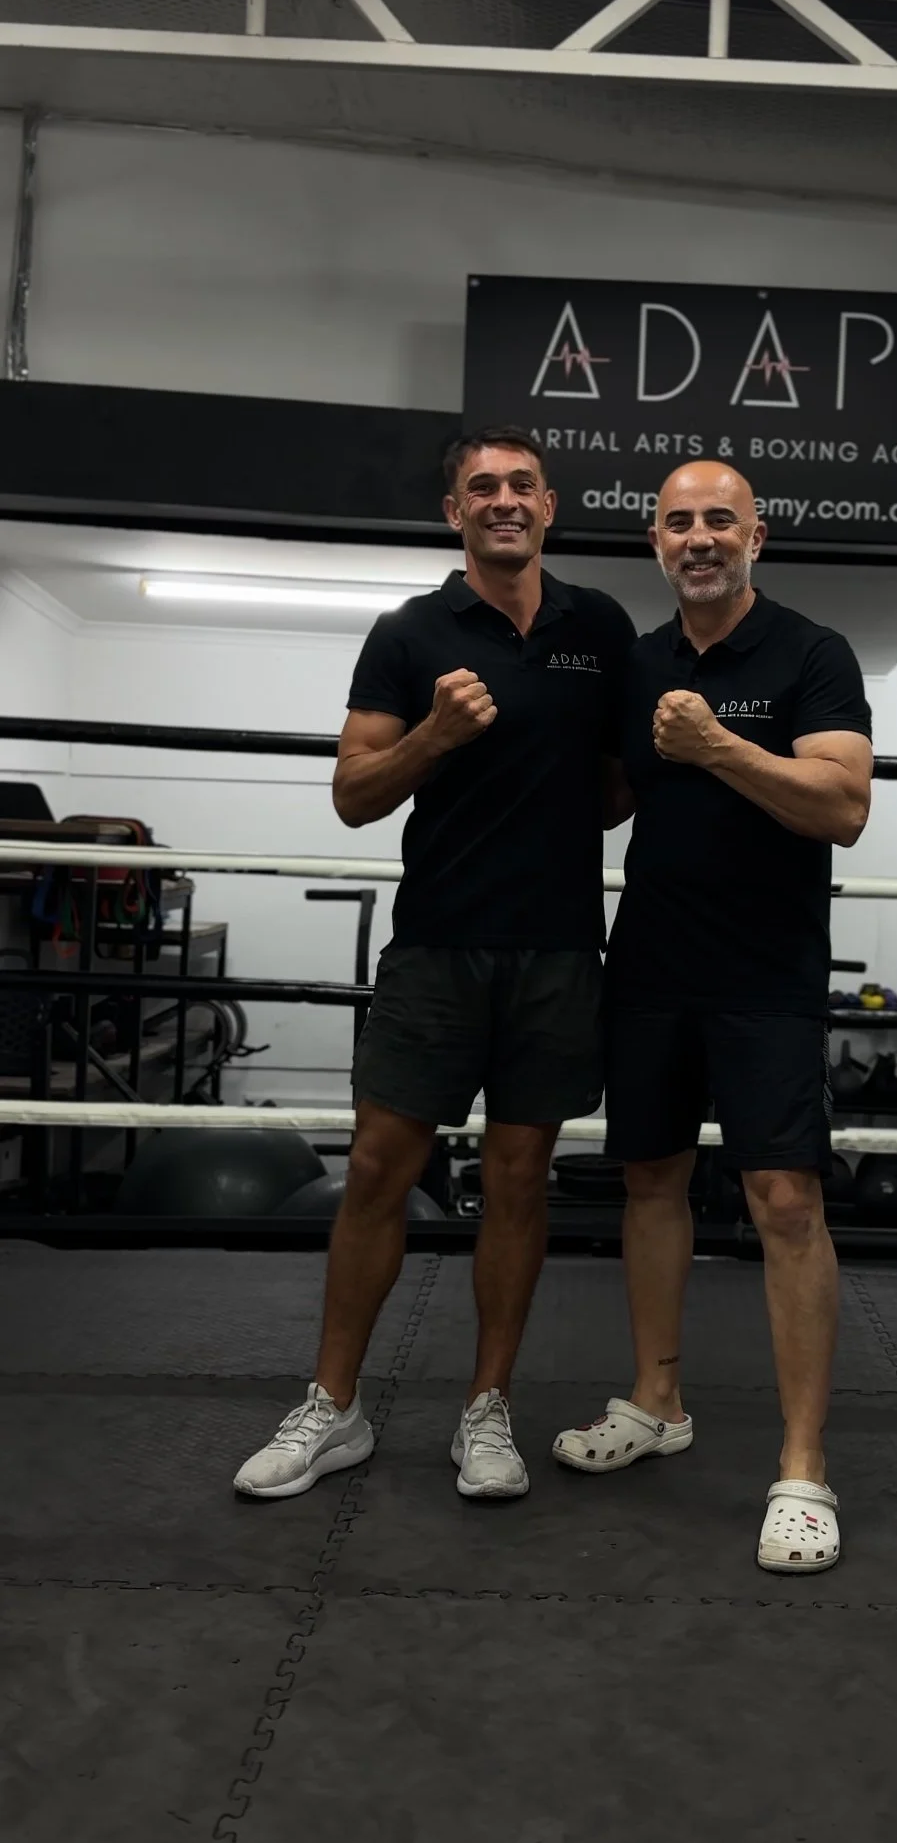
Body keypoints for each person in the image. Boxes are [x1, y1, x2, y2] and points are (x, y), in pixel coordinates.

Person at [235, 427, 634, 1505]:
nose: (502, 501)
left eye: (520, 486)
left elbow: (613, 790)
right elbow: (356, 792)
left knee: (517, 1181)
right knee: (375, 1171)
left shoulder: (599, 629)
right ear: (453, 513)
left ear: (549, 505)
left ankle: (486, 1412)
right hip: (436, 948)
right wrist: (437, 738)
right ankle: (335, 1406)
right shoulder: (409, 633)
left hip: (556, 951)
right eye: (480, 489)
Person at [552, 461, 872, 1574]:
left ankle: (801, 1467)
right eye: (679, 522)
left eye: (719, 521)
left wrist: (719, 747)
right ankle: (656, 1400)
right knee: (650, 1178)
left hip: (766, 972)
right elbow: (604, 796)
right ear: (654, 542)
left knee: (785, 1198)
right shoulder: (634, 665)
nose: (700, 538)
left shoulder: (811, 653)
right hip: (649, 963)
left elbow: (842, 808)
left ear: (757, 536)